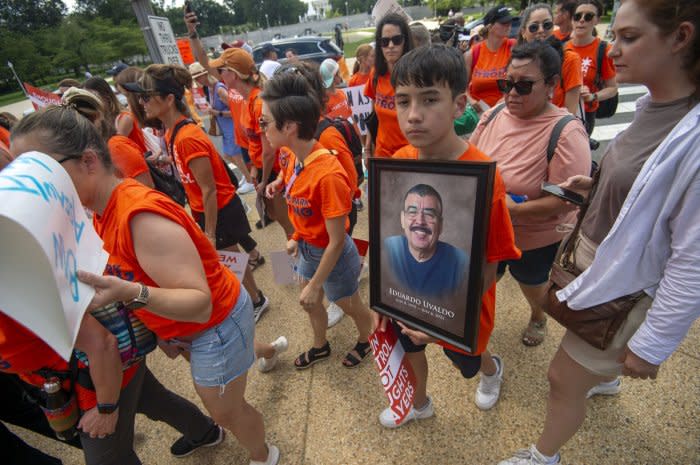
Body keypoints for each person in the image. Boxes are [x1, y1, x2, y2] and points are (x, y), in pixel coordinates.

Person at [10, 96, 281, 465]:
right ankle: (267, 349)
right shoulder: (95, 211)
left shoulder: (138, 216)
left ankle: (264, 455)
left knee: (224, 412)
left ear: (89, 160)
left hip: (212, 324)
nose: (30, 189)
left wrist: (132, 295)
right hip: (192, 329)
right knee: (227, 378)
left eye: (41, 174)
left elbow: (198, 302)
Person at [499, 1, 699, 463]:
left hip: (626, 293)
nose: (612, 48)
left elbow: (692, 260)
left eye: (629, 37)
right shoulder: (657, 106)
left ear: (680, 38)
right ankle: (603, 378)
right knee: (577, 371)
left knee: (561, 379)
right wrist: (595, 185)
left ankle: (543, 456)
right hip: (601, 274)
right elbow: (647, 190)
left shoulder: (694, 135)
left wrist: (650, 346)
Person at [374, 44, 520, 428]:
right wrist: (383, 297)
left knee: (468, 358)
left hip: (459, 311)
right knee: (409, 348)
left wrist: (442, 322)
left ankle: (492, 370)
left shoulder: (485, 176)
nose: (413, 114)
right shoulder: (400, 163)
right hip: (407, 295)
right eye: (403, 101)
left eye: (429, 99)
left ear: (459, 105)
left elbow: (489, 268)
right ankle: (418, 402)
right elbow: (388, 236)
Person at [123, 64, 271, 321]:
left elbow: (209, 189)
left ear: (169, 99)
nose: (141, 102)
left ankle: (256, 299)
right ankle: (252, 298)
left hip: (218, 208)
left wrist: (209, 233)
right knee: (230, 258)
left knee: (231, 257)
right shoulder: (173, 131)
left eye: (146, 97)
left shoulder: (186, 136)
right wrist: (167, 161)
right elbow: (193, 175)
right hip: (207, 208)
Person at [470, 41, 591, 346]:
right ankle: (473, 323)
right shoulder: (495, 113)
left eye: (523, 86)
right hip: (488, 230)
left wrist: (514, 210)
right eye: (507, 83)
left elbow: (567, 201)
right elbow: (468, 157)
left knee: (532, 284)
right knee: (477, 282)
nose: (511, 93)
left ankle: (538, 316)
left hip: (534, 238)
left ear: (551, 84)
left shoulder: (566, 132)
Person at [262, 71, 374, 370]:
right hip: (308, 248)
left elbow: (337, 241)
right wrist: (280, 188)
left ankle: (367, 338)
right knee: (309, 303)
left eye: (265, 123)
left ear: (289, 126)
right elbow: (294, 181)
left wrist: (316, 283)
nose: (262, 130)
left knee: (350, 304)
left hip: (332, 256)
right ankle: (320, 345)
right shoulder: (294, 154)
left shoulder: (328, 174)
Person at [187, 14, 294, 236]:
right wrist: (192, 33)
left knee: (286, 221)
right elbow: (205, 63)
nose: (214, 72)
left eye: (221, 69)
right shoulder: (238, 93)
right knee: (277, 216)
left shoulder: (257, 101)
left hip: (274, 170)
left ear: (233, 74)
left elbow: (268, 150)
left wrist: (263, 179)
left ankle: (300, 257)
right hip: (262, 168)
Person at [384, 184, 469, 297]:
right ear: (402, 219)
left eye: (429, 214)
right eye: (412, 212)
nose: (420, 221)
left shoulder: (460, 264)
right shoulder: (387, 249)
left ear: (441, 225)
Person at [66, 87, 155, 189]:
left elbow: (147, 187)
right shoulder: (92, 152)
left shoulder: (116, 146)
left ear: (99, 116)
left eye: (87, 119)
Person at [189, 62, 256, 194]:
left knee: (235, 156)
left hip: (231, 126)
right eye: (195, 79)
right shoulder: (210, 89)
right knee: (228, 155)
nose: (197, 81)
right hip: (225, 127)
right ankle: (246, 175)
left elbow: (235, 110)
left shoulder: (219, 89)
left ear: (204, 76)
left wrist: (216, 112)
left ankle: (250, 181)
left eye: (198, 78)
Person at [564, 0, 618, 136]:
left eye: (588, 16)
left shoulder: (604, 50)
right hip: (561, 111)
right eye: (577, 16)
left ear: (597, 20)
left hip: (586, 114)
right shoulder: (562, 48)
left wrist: (592, 96)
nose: (581, 20)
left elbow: (612, 88)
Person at [518, 3, 583, 115]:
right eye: (534, 27)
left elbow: (570, 113)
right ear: (524, 32)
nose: (541, 30)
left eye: (547, 25)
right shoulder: (518, 61)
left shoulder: (570, 59)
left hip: (555, 128)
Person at [364, 12, 413, 158]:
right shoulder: (375, 75)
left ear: (406, 41)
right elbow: (374, 116)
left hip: (411, 157)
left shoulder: (418, 76)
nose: (390, 46)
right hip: (382, 156)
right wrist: (367, 149)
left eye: (396, 40)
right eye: (384, 41)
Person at [465, 5, 516, 111]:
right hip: (479, 114)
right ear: (489, 26)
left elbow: (521, 81)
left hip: (507, 110)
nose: (509, 25)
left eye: (509, 22)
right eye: (503, 23)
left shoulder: (514, 47)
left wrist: (505, 99)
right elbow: (461, 87)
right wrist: (470, 100)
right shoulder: (473, 53)